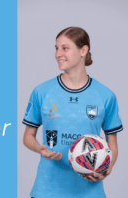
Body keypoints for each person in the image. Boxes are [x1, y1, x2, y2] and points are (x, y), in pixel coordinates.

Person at [22, 27, 123, 198]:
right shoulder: (42, 91)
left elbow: (112, 143)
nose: (58, 54)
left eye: (65, 48)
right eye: (56, 48)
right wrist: (40, 148)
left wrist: (108, 168)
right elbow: (27, 137)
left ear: (83, 50)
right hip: (47, 191)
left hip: (90, 192)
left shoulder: (105, 95)